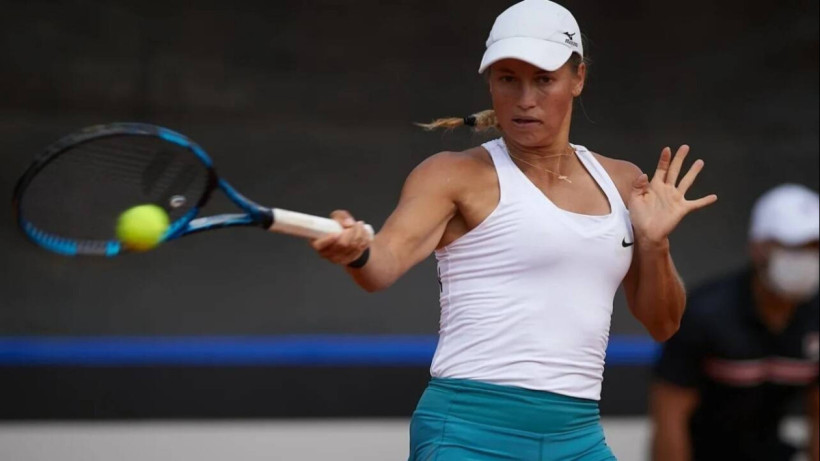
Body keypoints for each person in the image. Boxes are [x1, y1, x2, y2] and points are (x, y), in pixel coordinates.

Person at [311, 0, 717, 459]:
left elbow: (663, 324)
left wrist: (654, 242)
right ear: (491, 82)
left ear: (578, 78)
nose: (525, 99)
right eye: (508, 79)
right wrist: (356, 251)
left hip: (578, 436)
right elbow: (381, 265)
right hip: (467, 434)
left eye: (544, 79)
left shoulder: (624, 182)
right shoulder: (451, 174)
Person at [651, 184, 820, 461]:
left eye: (815, 248)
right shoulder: (706, 312)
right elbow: (670, 418)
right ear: (758, 247)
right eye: (794, 247)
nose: (808, 258)